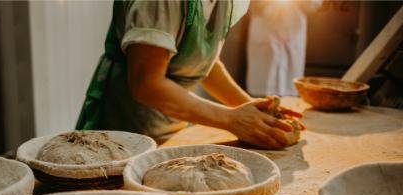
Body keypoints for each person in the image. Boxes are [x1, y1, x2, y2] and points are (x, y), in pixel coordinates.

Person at [76, 0, 302, 149]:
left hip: (173, 131)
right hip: (125, 133)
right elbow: (147, 84)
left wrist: (254, 111)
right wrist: (233, 119)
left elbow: (202, 62)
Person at [246, 0, 322, 96]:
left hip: (293, 28)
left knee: (289, 98)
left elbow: (315, 4)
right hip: (265, 27)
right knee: (260, 95)